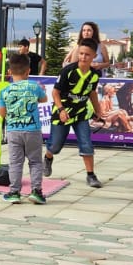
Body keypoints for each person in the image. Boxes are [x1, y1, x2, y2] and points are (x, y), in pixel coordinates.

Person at [43, 39, 103, 188]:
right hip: (62, 111)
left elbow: (92, 93)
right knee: (55, 146)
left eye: (87, 55)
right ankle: (48, 157)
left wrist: (98, 111)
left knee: (86, 143)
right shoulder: (68, 71)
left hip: (81, 113)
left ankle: (91, 175)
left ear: (94, 55)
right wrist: (62, 110)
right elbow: (55, 92)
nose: (83, 57)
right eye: (81, 53)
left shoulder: (95, 75)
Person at [0, 54, 49, 203]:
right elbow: (44, 99)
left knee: (15, 163)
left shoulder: (4, 91)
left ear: (9, 72)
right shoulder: (34, 86)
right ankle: (36, 191)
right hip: (33, 130)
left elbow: (2, 113)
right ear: (28, 71)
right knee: (35, 162)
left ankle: (14, 192)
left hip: (13, 131)